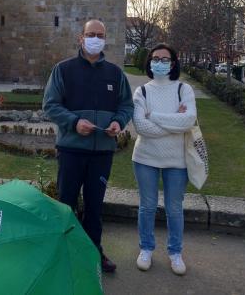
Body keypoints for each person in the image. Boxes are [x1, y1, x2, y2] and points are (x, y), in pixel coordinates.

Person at [43, 19, 134, 273]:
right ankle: (64, 254)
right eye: (91, 34)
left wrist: (118, 122)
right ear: (81, 38)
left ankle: (94, 252)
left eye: (100, 35)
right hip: (71, 150)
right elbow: (50, 105)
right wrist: (74, 122)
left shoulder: (115, 74)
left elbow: (126, 105)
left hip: (102, 152)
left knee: (95, 206)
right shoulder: (63, 69)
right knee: (66, 204)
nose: (96, 39)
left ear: (105, 39)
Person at [131, 43, 197, 276]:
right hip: (145, 158)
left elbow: (188, 120)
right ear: (149, 62)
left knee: (174, 209)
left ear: (173, 63)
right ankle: (146, 249)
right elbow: (141, 126)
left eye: (164, 59)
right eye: (155, 58)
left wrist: (154, 116)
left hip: (176, 160)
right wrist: (173, 122)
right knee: (147, 206)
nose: (159, 62)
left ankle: (175, 253)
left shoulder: (183, 89)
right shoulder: (142, 91)